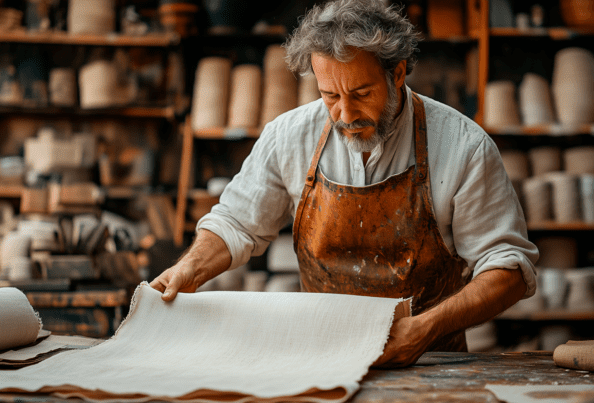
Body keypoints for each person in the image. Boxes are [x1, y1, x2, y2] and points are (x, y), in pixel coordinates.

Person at [151, 0, 538, 367]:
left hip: (432, 360)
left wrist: (425, 329)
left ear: (398, 73)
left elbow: (508, 267)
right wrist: (189, 269)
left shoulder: (462, 145)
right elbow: (236, 223)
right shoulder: (289, 136)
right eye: (330, 95)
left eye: (361, 93)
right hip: (323, 357)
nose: (346, 114)